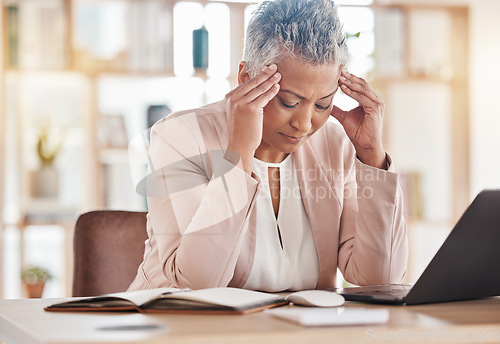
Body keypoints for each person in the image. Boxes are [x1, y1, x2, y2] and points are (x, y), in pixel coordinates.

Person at [128, 0, 407, 292]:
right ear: (247, 78)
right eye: (289, 101)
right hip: (181, 329)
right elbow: (199, 281)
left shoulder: (335, 145)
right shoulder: (180, 137)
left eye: (323, 104)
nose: (304, 124)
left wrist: (372, 158)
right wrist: (238, 153)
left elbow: (381, 277)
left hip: (296, 333)